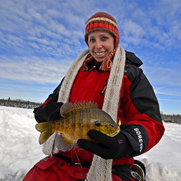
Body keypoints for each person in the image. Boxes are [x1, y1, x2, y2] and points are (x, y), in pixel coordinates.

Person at [23, 12, 165, 181]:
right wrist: (45, 112)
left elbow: (151, 122)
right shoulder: (73, 74)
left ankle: (134, 171)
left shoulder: (131, 75)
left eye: (104, 38)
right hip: (64, 159)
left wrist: (125, 142)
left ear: (115, 40)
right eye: (92, 40)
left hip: (110, 164)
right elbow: (48, 103)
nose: (98, 46)